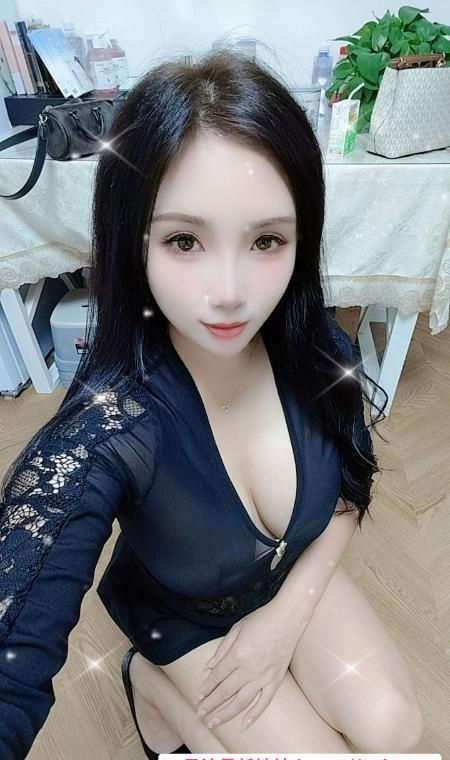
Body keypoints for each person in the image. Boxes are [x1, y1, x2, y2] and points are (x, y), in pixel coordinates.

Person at [0, 49, 424, 759]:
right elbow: (15, 642)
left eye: (266, 240)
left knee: (396, 729)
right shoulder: (106, 427)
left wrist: (282, 623)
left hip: (283, 578)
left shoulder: (314, 345)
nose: (230, 294)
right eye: (184, 240)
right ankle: (152, 682)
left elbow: (352, 488)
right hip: (181, 617)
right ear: (133, 240)